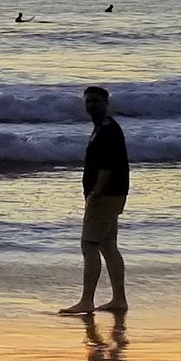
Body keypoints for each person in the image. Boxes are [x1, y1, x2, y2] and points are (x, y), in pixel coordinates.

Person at [60, 86, 129, 314]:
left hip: (105, 195)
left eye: (95, 101)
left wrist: (95, 193)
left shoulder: (108, 130)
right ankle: (119, 299)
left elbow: (108, 166)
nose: (91, 105)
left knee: (89, 245)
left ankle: (86, 301)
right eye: (88, 101)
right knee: (108, 246)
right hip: (112, 194)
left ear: (106, 103)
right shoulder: (102, 128)